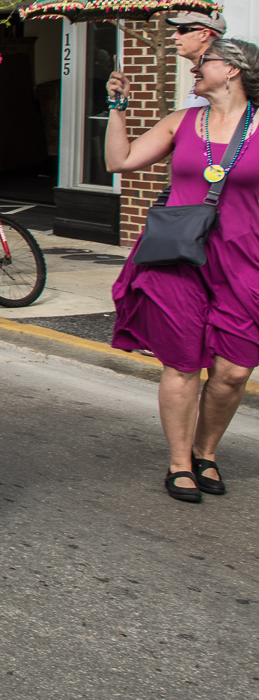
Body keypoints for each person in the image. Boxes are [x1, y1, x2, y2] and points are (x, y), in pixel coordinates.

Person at [105, 37, 259, 503]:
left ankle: (205, 450)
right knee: (183, 361)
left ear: (232, 69)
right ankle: (179, 463)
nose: (194, 67)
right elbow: (121, 161)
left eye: (203, 61)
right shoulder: (181, 122)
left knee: (234, 370)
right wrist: (117, 108)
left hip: (244, 259)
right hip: (178, 258)